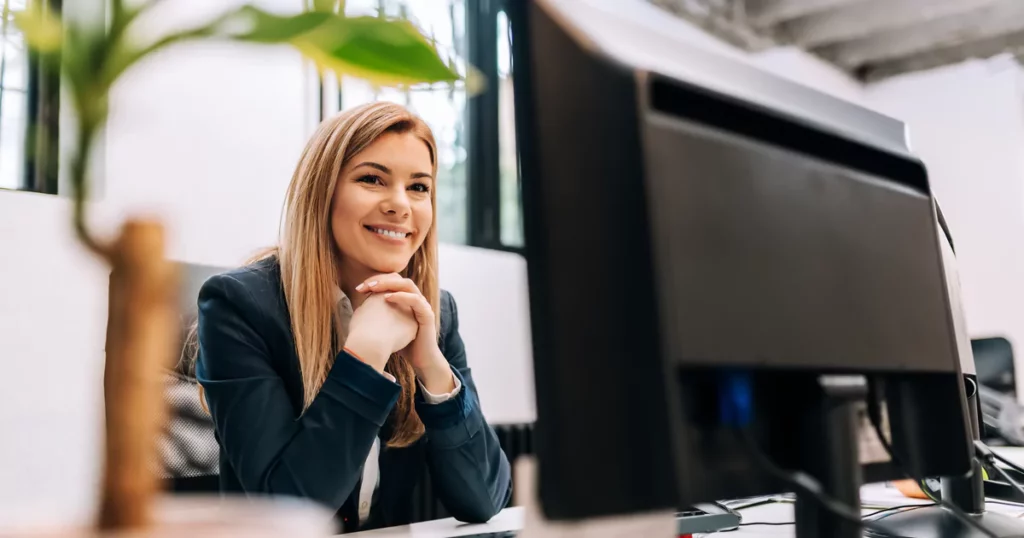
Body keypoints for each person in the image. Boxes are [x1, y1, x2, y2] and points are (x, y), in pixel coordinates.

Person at [192, 102, 512, 533]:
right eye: (372, 179)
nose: (400, 205)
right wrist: (365, 356)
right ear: (322, 193)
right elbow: (289, 511)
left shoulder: (433, 311)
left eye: (419, 188)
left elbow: (484, 500)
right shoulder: (241, 306)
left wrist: (433, 368)